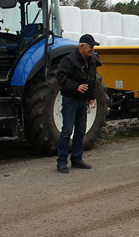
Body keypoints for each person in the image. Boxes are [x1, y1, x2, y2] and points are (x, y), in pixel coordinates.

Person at [56, 34, 102, 173]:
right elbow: (61, 78)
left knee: (81, 131)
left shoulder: (91, 61)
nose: (92, 50)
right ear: (82, 46)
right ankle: (61, 162)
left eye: (93, 47)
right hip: (70, 99)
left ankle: (77, 159)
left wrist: (91, 97)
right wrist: (76, 86)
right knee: (67, 131)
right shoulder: (68, 60)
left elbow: (92, 80)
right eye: (90, 47)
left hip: (83, 101)